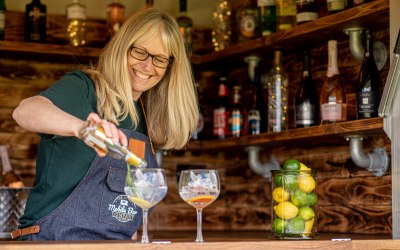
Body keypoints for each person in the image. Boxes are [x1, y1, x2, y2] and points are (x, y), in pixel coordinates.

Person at [12, 6, 199, 240]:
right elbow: (25, 111)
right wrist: (81, 128)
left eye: (160, 59)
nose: (148, 66)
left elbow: (119, 217)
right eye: (140, 52)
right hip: (52, 242)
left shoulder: (146, 118)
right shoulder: (85, 88)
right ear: (123, 47)